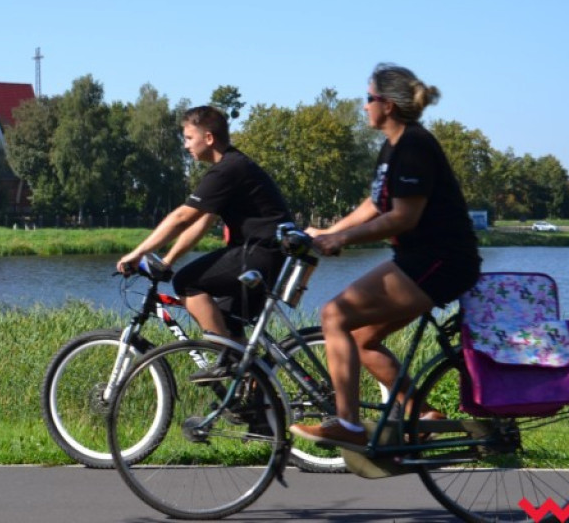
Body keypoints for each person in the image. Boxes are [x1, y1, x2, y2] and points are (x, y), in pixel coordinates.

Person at [290, 63, 481, 450]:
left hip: (439, 261)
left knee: (333, 315)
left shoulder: (413, 145)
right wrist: (329, 233)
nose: (364, 107)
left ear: (387, 105)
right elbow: (375, 205)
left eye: (368, 98)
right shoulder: (393, 146)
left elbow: (402, 216)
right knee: (360, 340)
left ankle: (348, 424)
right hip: (422, 260)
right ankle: (423, 416)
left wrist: (344, 238)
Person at [117, 105, 294, 373]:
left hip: (260, 253)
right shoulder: (233, 167)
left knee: (186, 282)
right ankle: (253, 393)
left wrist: (138, 252)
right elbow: (200, 224)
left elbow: (182, 218)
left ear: (208, 138)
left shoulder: (227, 169)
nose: (185, 146)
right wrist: (167, 260)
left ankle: (223, 359)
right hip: (269, 255)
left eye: (189, 138)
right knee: (226, 317)